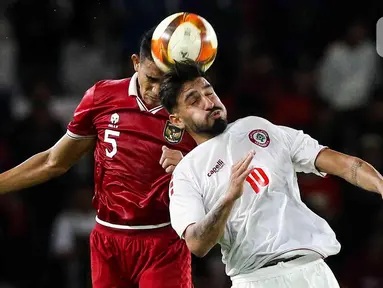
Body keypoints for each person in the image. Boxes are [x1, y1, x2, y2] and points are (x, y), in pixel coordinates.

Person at [159, 60, 383, 288]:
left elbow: (345, 165)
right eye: (194, 100)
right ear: (176, 119)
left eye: (209, 92)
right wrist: (228, 199)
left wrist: (381, 185)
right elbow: (197, 243)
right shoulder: (187, 172)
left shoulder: (259, 127)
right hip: (257, 279)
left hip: (314, 271)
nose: (208, 102)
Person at [0, 28, 196, 287]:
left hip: (163, 241)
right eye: (151, 78)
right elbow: (53, 162)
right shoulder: (102, 97)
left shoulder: (191, 108)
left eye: (166, 80)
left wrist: (188, 167)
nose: (158, 90)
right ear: (136, 63)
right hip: (107, 240)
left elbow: (219, 168)